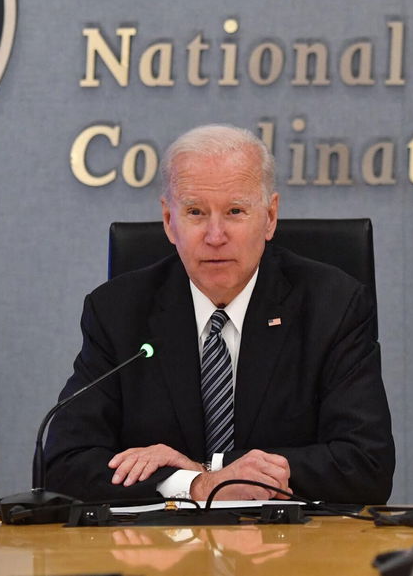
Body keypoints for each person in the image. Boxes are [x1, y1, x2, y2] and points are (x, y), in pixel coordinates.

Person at [43, 124, 394, 504]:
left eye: (235, 211)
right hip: (157, 554)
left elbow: (366, 465)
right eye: (195, 212)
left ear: (270, 217)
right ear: (168, 221)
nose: (214, 235)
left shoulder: (333, 306)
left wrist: (212, 471)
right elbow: (64, 464)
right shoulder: (118, 312)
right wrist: (192, 485)